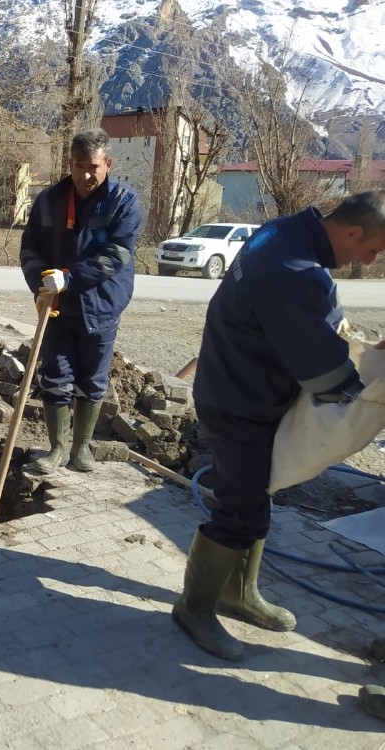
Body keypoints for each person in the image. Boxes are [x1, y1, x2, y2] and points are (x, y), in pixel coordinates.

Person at [173, 190, 385, 666]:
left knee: (255, 495)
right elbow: (322, 366)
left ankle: (237, 592)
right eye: (371, 250)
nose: (368, 263)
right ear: (352, 232)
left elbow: (314, 323)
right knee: (240, 509)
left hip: (236, 382)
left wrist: (367, 351)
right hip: (239, 402)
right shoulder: (296, 271)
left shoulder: (286, 231)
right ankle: (194, 608)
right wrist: (365, 387)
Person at [19, 128, 142, 473]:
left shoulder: (122, 201)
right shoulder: (50, 200)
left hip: (101, 304)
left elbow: (117, 254)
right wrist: (40, 284)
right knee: (56, 375)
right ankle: (57, 448)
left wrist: (69, 278)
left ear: (108, 164)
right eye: (78, 166)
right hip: (58, 305)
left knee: (92, 378)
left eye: (93, 167)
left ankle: (82, 448)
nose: (85, 175)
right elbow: (30, 248)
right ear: (69, 164)